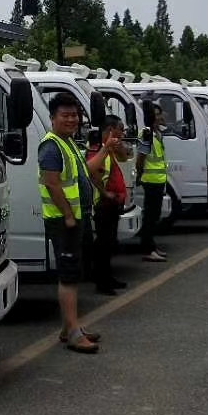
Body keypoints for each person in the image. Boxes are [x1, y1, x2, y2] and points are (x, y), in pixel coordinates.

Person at [38, 92, 99, 352]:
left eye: (75, 115)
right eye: (65, 115)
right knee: (68, 276)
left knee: (74, 272)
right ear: (53, 118)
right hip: (65, 221)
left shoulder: (69, 143)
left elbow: (82, 174)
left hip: (76, 218)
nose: (72, 119)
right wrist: (68, 215)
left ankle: (69, 327)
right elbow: (51, 183)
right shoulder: (51, 146)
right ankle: (73, 333)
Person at [87, 115, 131, 296]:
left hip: (113, 203)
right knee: (103, 245)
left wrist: (118, 146)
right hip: (103, 204)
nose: (123, 133)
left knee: (110, 243)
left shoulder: (110, 148)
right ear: (110, 129)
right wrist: (105, 193)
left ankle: (108, 277)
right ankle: (102, 282)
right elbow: (92, 173)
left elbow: (124, 158)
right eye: (120, 129)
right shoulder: (97, 149)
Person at [135, 102, 168, 263]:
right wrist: (139, 175)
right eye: (157, 114)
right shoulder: (146, 134)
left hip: (159, 180)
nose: (160, 117)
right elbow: (140, 158)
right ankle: (148, 249)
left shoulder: (156, 134)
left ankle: (152, 246)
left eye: (160, 113)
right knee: (150, 216)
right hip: (150, 181)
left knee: (154, 215)